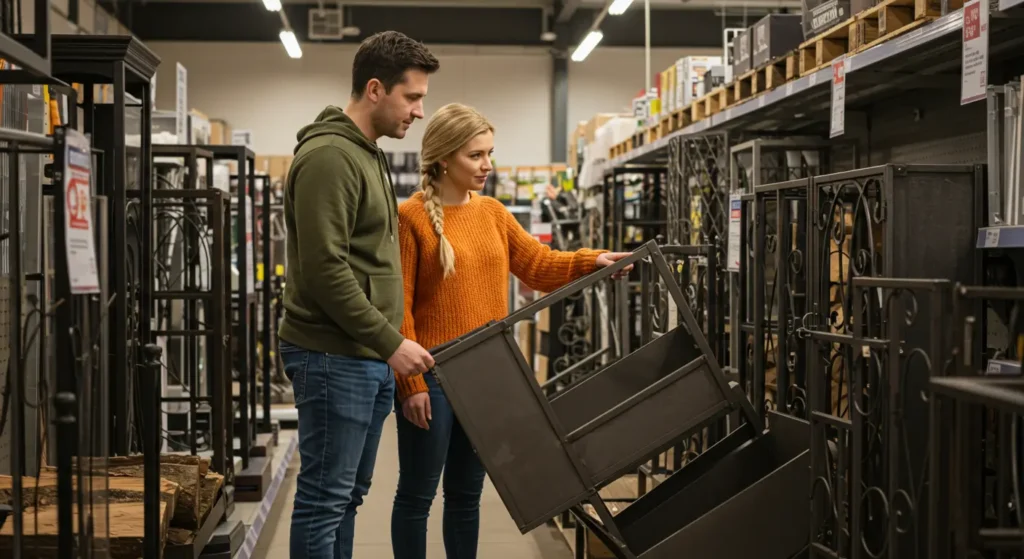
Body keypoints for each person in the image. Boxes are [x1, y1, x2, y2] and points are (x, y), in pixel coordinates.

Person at [390, 102, 632, 559]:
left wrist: (589, 261)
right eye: (475, 155)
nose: (486, 165)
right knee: (417, 497)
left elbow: (537, 266)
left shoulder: (494, 213)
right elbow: (397, 306)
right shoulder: (411, 219)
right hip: (434, 376)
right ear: (443, 158)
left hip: (489, 375)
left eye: (489, 154)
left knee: (466, 496)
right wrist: (410, 384)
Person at [277, 31, 440, 559]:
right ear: (375, 89)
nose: (419, 111)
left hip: (362, 355)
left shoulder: (367, 153)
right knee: (325, 501)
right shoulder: (329, 157)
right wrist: (391, 342)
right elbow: (325, 270)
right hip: (333, 354)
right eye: (412, 97)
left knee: (347, 498)